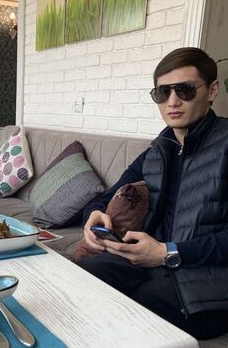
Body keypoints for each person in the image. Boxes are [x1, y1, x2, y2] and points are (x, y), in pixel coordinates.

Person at [77, 47, 228, 340]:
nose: (172, 101)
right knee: (79, 280)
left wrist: (167, 253)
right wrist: (92, 216)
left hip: (205, 280)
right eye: (162, 92)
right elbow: (106, 198)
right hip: (145, 260)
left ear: (212, 90)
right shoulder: (158, 150)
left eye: (185, 90)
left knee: (127, 313)